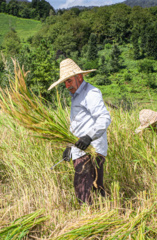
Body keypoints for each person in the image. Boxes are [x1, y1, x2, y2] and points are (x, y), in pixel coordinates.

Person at [48, 58, 111, 204]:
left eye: (69, 80)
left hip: (91, 150)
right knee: (85, 189)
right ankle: (98, 216)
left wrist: (89, 137)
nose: (67, 85)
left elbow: (104, 118)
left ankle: (92, 218)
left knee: (85, 190)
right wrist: (69, 147)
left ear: (79, 77)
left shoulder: (91, 93)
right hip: (80, 150)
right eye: (65, 82)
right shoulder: (76, 98)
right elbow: (77, 126)